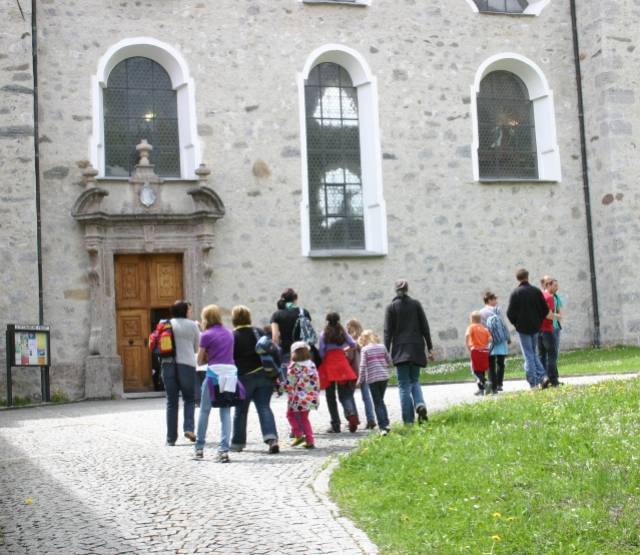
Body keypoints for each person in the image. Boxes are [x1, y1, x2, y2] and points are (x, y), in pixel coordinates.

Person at [229, 305, 279, 454]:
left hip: (244, 378)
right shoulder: (258, 331)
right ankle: (272, 439)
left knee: (241, 411)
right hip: (264, 374)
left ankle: (238, 443)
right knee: (264, 407)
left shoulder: (233, 336)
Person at [384, 280, 433, 424]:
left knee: (404, 384)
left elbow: (387, 332)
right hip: (417, 347)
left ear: (395, 290)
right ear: (407, 289)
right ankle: (420, 404)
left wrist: (386, 352)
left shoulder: (391, 307)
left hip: (400, 350)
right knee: (415, 380)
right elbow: (425, 326)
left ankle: (408, 421)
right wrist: (429, 348)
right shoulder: (416, 304)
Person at [195, 304, 236, 462]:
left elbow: (200, 360)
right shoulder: (229, 334)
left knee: (205, 411)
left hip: (213, 375)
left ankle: (199, 448)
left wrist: (207, 357)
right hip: (230, 374)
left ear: (205, 318)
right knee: (225, 412)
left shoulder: (206, 335)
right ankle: (224, 450)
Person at [506, 268, 558, 389]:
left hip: (523, 328)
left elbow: (510, 313)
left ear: (517, 278)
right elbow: (545, 311)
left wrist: (516, 324)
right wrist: (538, 321)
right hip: (535, 327)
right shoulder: (536, 291)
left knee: (529, 354)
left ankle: (534, 382)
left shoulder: (515, 293)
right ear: (527, 277)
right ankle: (543, 376)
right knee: (533, 353)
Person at [162, 300, 199, 446]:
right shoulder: (192, 325)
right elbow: (197, 347)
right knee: (189, 399)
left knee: (171, 402)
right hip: (186, 364)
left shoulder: (166, 324)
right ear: (185, 311)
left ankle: (170, 439)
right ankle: (188, 428)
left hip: (168, 364)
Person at [318, 312, 360, 433]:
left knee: (330, 396)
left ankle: (335, 424)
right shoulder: (343, 332)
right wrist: (343, 349)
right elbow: (353, 344)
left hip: (329, 364)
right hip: (342, 362)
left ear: (327, 321)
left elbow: (321, 352)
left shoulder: (324, 334)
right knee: (345, 394)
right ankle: (351, 413)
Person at [285, 341, 320, 449]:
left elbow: (290, 383)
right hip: (311, 396)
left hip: (297, 398)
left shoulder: (294, 366)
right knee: (305, 418)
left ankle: (299, 435)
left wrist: (282, 388)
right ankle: (309, 440)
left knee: (290, 415)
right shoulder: (311, 364)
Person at [357, 330, 391, 435]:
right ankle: (386, 423)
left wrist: (360, 379)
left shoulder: (365, 349)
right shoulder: (382, 347)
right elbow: (389, 360)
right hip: (384, 377)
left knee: (377, 402)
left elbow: (362, 366)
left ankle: (383, 427)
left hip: (373, 379)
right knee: (380, 400)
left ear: (363, 339)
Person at [345, 319, 376, 430]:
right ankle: (371, 419)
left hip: (353, 371)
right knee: (366, 397)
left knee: (349, 395)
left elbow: (350, 357)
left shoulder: (350, 341)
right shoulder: (364, 339)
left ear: (350, 327)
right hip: (365, 370)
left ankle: (354, 418)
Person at [479, 291, 511, 393]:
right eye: (494, 299)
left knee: (491, 364)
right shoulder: (497, 310)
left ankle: (492, 385)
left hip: (489, 340)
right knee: (501, 363)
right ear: (489, 300)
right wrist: (508, 337)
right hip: (500, 339)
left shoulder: (481, 312)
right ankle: (499, 384)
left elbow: (481, 327)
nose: (496, 301)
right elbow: (503, 324)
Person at [538, 278, 561, 387]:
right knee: (552, 355)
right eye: (554, 285)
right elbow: (548, 314)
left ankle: (543, 380)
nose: (556, 288)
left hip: (538, 330)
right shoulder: (549, 297)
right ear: (549, 285)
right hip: (547, 329)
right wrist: (558, 316)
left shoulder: (539, 296)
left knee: (541, 355)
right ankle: (553, 380)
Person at [465, 311, 492, 396]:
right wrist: (485, 343)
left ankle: (485, 382)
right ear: (480, 320)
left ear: (471, 319)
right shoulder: (484, 328)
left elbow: (467, 335)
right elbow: (490, 339)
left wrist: (468, 345)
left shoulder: (471, 327)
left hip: (476, 351)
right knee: (482, 369)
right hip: (485, 351)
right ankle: (481, 389)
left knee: (475, 370)